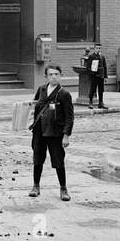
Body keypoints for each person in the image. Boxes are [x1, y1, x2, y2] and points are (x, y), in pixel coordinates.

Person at [29, 63, 74, 201]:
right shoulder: (42, 89)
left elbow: (69, 116)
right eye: (50, 74)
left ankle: (63, 188)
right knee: (38, 159)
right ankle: (36, 186)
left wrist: (66, 135)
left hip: (55, 132)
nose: (53, 77)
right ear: (46, 76)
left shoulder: (64, 94)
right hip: (40, 131)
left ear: (60, 76)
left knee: (58, 160)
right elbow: (36, 104)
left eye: (56, 74)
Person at [80, 42, 109, 109]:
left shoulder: (102, 57)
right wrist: (92, 71)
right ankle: (90, 102)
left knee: (101, 90)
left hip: (101, 76)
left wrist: (105, 76)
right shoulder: (91, 56)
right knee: (93, 89)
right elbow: (88, 67)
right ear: (94, 49)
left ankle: (101, 103)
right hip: (94, 75)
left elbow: (105, 67)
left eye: (99, 48)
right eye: (97, 48)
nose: (98, 49)